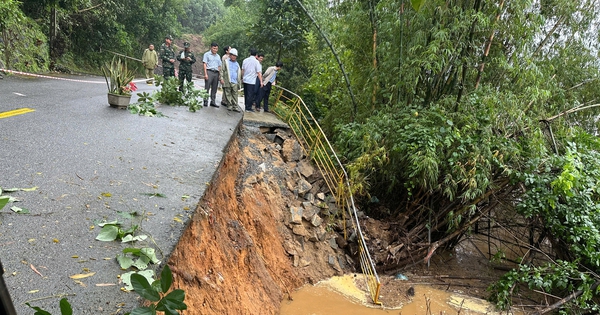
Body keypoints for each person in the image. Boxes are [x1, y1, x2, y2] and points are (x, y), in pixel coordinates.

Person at [220, 48, 242, 112]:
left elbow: (238, 73)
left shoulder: (237, 64)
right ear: (230, 55)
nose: (234, 57)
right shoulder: (226, 62)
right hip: (227, 80)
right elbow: (222, 70)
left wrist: (239, 81)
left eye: (235, 56)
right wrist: (221, 78)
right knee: (228, 93)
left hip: (234, 81)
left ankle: (235, 106)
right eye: (233, 55)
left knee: (235, 94)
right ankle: (229, 105)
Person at [202, 42, 222, 107]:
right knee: (207, 87)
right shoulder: (207, 54)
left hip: (216, 73)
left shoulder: (218, 56)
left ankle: (213, 101)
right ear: (211, 48)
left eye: (216, 49)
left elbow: (219, 66)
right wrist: (205, 74)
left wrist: (219, 75)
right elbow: (205, 64)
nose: (215, 50)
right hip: (209, 71)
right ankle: (205, 100)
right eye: (214, 48)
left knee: (214, 88)